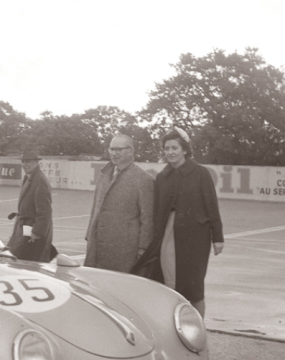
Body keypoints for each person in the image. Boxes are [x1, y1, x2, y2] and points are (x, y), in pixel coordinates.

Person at [132, 127, 224, 317]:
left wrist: (218, 238)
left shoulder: (201, 173)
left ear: (184, 150)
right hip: (167, 237)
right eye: (167, 148)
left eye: (174, 148)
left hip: (196, 239)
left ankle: (198, 332)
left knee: (194, 289)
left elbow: (211, 206)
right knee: (169, 284)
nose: (170, 152)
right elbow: (157, 212)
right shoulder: (162, 177)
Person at [84, 134, 154, 273]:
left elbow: (148, 218)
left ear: (130, 151)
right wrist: (89, 235)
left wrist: (143, 247)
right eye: (111, 149)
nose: (114, 153)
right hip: (97, 246)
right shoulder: (104, 174)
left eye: (119, 149)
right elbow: (95, 208)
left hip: (124, 251)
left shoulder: (143, 179)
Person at [7, 151, 55, 262]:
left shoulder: (40, 181)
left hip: (33, 233)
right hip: (26, 229)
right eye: (23, 161)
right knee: (19, 261)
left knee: (30, 264)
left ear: (36, 163)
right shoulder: (29, 177)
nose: (24, 164)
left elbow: (45, 211)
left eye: (28, 161)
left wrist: (37, 232)